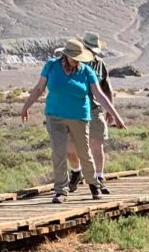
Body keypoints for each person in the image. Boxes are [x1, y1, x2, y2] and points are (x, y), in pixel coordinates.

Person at [20, 38, 125, 203]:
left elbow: (99, 95)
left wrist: (116, 116)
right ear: (66, 55)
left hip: (79, 117)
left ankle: (93, 184)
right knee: (58, 152)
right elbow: (39, 88)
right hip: (55, 116)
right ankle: (61, 191)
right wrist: (26, 106)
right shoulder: (51, 66)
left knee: (84, 152)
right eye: (74, 58)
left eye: (79, 58)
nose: (77, 61)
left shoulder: (86, 71)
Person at [63, 32, 117, 193]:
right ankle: (76, 171)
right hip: (72, 110)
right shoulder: (71, 62)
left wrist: (110, 110)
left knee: (96, 145)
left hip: (94, 109)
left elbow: (107, 88)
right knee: (70, 148)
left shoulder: (100, 64)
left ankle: (99, 177)